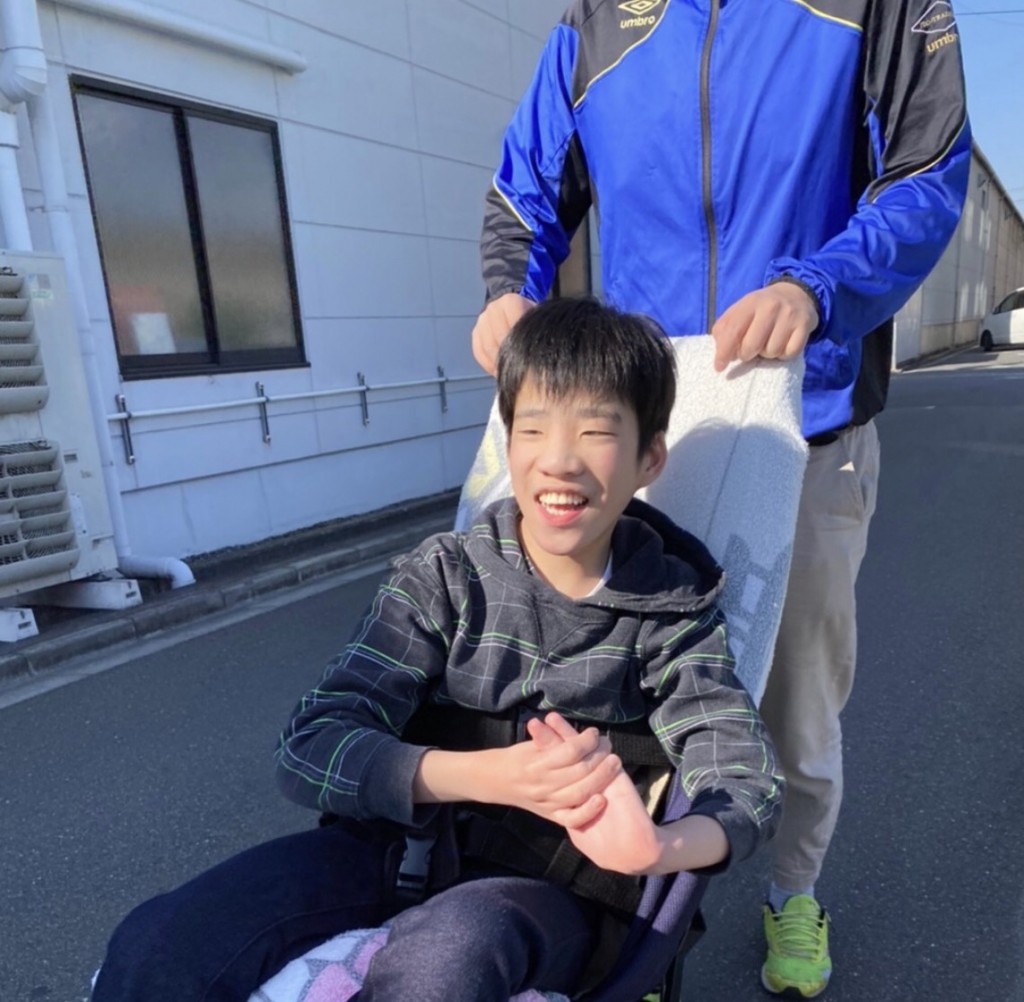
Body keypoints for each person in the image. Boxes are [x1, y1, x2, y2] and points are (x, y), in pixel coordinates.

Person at [471, 2, 970, 997]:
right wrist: (506, 289)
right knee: (609, 690)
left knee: (795, 703)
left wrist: (817, 287)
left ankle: (794, 890)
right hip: (635, 437)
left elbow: (927, 171)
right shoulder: (597, 20)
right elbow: (525, 191)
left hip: (800, 422)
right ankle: (628, 914)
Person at [91, 297, 783, 1002]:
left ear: (648, 459)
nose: (558, 460)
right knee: (159, 945)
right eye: (533, 427)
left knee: (442, 964)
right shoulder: (446, 577)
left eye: (596, 431)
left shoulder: (672, 616)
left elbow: (746, 784)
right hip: (391, 850)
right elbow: (310, 747)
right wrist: (485, 775)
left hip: (547, 895)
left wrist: (659, 848)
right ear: (508, 442)